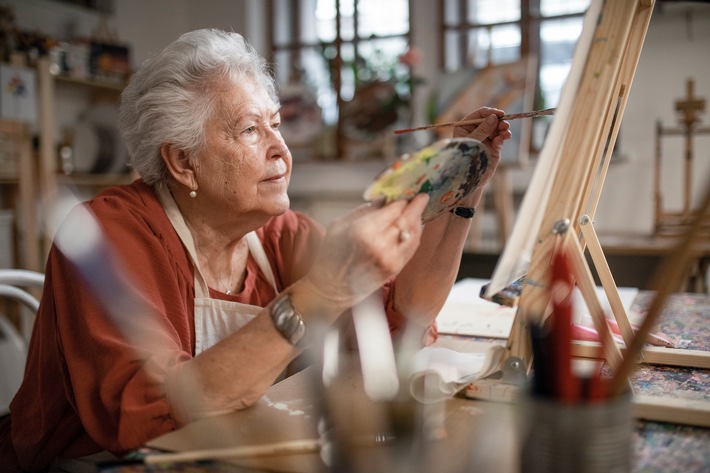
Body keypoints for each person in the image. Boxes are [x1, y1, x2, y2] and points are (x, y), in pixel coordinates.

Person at [0, 29, 511, 470]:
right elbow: (142, 413)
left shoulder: (280, 233)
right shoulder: (110, 235)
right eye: (249, 130)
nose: (280, 150)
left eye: (276, 125)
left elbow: (406, 317)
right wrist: (322, 290)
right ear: (182, 163)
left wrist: (462, 189)